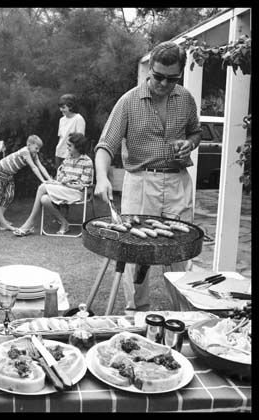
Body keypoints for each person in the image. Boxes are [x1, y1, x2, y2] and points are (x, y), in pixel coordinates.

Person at [94, 41, 202, 313]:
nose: (165, 84)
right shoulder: (129, 101)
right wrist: (102, 178)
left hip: (178, 181)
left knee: (180, 251)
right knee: (137, 253)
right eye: (159, 77)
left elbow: (195, 132)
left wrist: (190, 143)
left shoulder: (186, 98)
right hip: (141, 182)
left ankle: (183, 315)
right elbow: (106, 145)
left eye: (172, 78)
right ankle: (137, 313)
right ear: (149, 70)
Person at [14, 133, 93, 236]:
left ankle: (30, 223)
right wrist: (60, 181)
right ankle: (64, 223)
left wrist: (67, 184)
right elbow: (60, 176)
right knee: (44, 199)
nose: (67, 148)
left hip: (78, 193)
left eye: (69, 145)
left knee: (42, 187)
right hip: (64, 189)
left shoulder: (87, 162)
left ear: (78, 147)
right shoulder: (68, 158)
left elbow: (83, 185)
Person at [0, 135, 52, 221]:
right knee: (0, 195)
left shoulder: (34, 154)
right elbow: (34, 167)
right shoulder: (25, 152)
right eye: (36, 148)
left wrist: (49, 179)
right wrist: (43, 180)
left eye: (39, 148)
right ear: (29, 145)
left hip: (9, 173)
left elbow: (40, 166)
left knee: (9, 196)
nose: (38, 150)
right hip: (2, 170)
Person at [55, 94, 86, 170]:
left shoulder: (78, 119)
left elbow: (80, 140)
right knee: (59, 177)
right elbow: (61, 138)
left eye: (63, 107)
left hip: (71, 155)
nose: (61, 110)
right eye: (60, 107)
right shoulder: (61, 120)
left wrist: (74, 155)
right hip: (59, 154)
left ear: (71, 107)